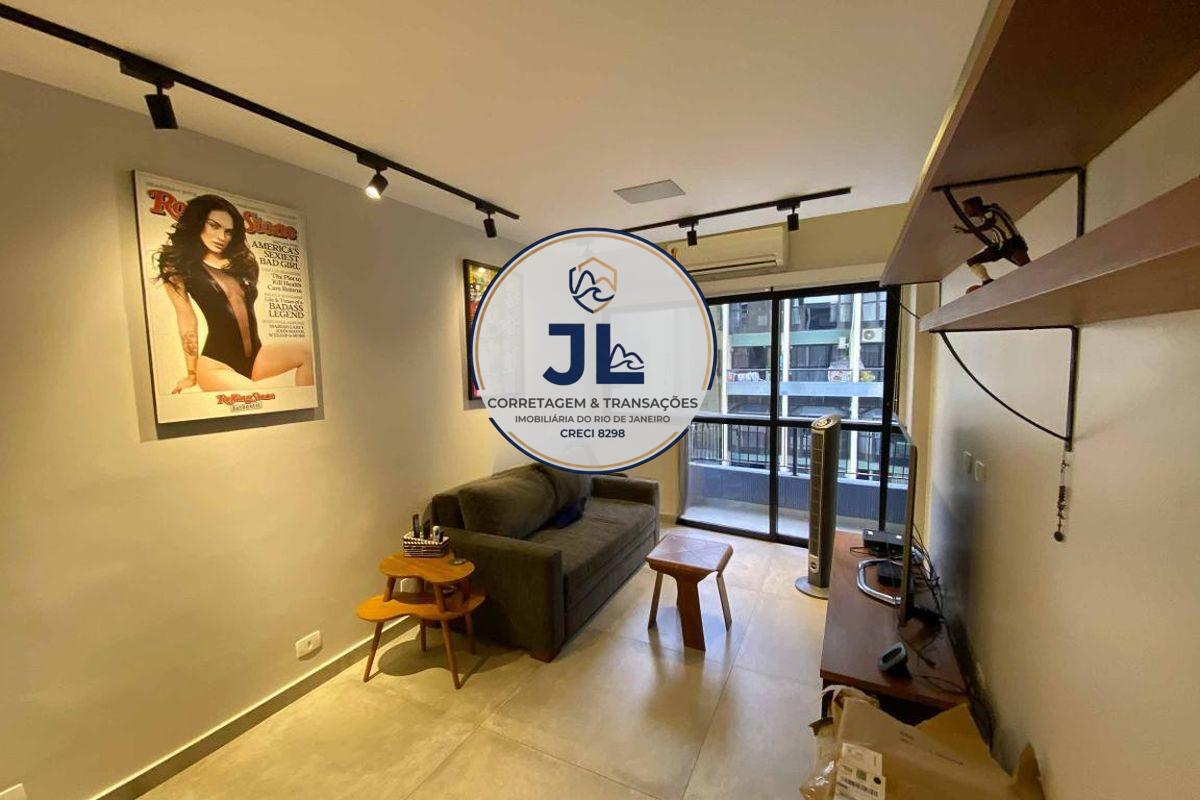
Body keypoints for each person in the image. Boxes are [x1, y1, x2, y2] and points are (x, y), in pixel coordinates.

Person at [153, 194, 313, 393]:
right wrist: (192, 373)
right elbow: (186, 317)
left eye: (228, 232)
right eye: (214, 226)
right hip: (217, 365)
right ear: (198, 223)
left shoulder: (243, 262)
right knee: (259, 398)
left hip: (256, 357)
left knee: (307, 353)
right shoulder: (178, 265)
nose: (222, 237)